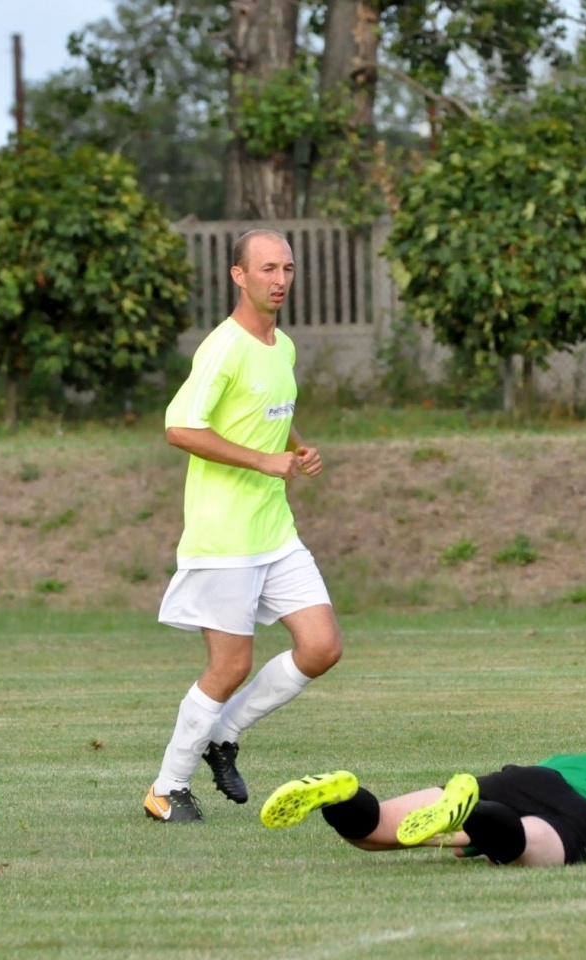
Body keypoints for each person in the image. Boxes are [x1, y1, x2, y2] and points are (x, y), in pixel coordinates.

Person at [143, 229, 344, 824]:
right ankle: (165, 790)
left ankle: (223, 734)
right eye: (267, 269)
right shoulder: (223, 348)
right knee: (230, 667)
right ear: (239, 275)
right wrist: (261, 461)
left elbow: (270, 416)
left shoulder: (281, 346)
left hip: (274, 532)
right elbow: (180, 428)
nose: (279, 280)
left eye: (287, 268)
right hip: (224, 537)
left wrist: (298, 448)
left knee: (322, 647)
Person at [259, 707, 586, 867]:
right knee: (523, 843)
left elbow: (457, 848)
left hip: (538, 778)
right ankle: (472, 813)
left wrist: (448, 839)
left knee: (374, 831)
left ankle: (344, 796)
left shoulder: (575, 761)